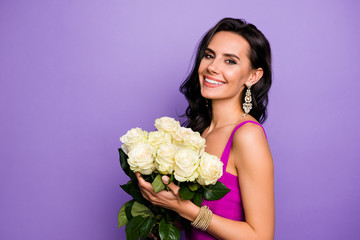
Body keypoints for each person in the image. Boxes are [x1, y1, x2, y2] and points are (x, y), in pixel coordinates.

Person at [136, 17, 274, 240]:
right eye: (209, 55)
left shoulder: (247, 135)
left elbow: (261, 237)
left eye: (230, 61)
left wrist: (185, 209)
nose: (212, 67)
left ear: (252, 76)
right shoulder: (198, 133)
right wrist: (160, 217)